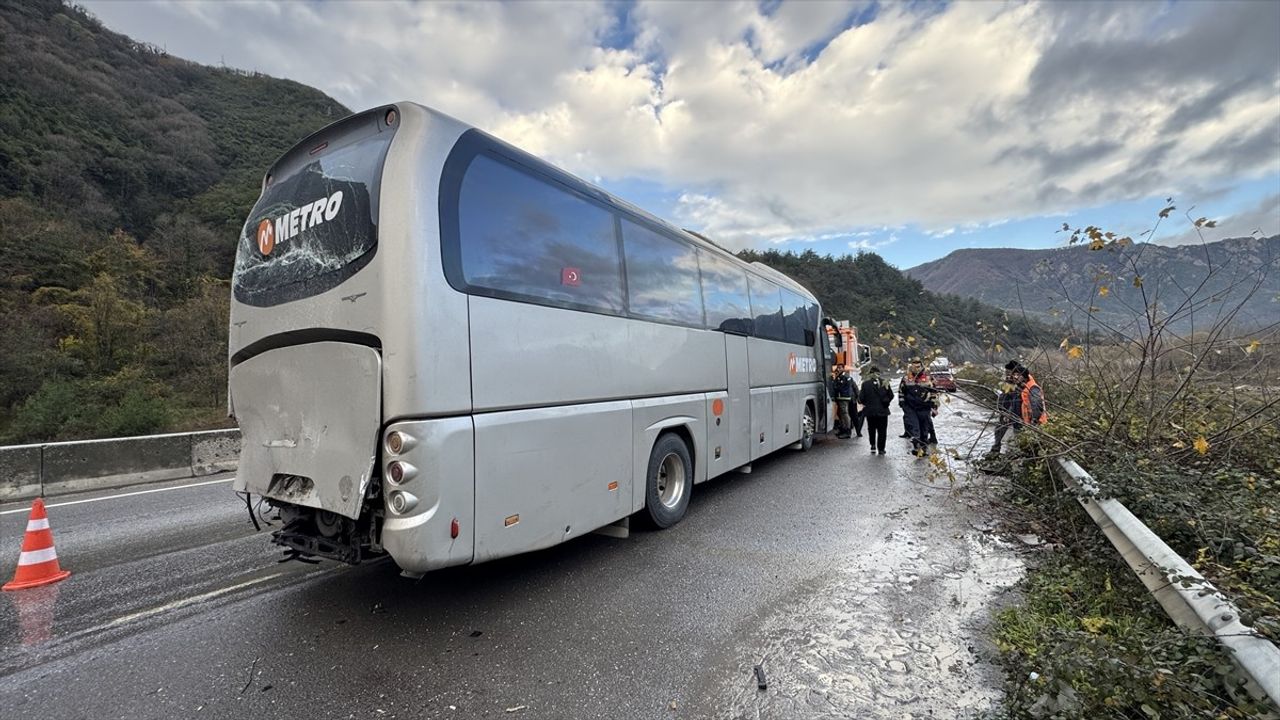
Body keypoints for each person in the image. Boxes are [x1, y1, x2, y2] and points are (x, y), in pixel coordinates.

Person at [898, 358, 938, 456]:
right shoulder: (906, 378)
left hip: (924, 407)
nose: (916, 368)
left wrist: (934, 407)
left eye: (918, 366)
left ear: (921, 366)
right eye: (914, 366)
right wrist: (902, 404)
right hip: (911, 407)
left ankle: (923, 448)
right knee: (915, 427)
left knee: (924, 428)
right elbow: (901, 392)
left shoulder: (928, 378)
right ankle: (917, 447)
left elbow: (934, 393)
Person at [989, 360, 1023, 454]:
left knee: (1018, 431)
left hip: (1013, 412)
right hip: (1005, 410)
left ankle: (1019, 452)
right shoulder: (1008, 381)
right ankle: (996, 447)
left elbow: (1016, 400)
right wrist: (1000, 408)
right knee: (999, 429)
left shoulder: (1018, 383)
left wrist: (1009, 412)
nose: (1007, 374)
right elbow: (1004, 394)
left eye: (1008, 372)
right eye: (1006, 372)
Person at [858, 365, 894, 454]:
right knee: (882, 430)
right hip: (883, 411)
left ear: (871, 374)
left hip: (870, 411)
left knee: (871, 429)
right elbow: (891, 395)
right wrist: (886, 402)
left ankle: (873, 445)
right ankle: (881, 449)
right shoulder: (885, 383)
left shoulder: (865, 384)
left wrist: (867, 403)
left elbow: (861, 399)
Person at [831, 366, 854, 439]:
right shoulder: (841, 376)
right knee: (840, 413)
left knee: (844, 413)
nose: (838, 369)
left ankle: (847, 431)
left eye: (840, 367)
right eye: (837, 367)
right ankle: (843, 429)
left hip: (843, 397)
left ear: (843, 368)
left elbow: (839, 387)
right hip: (841, 397)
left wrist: (834, 385)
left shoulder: (844, 376)